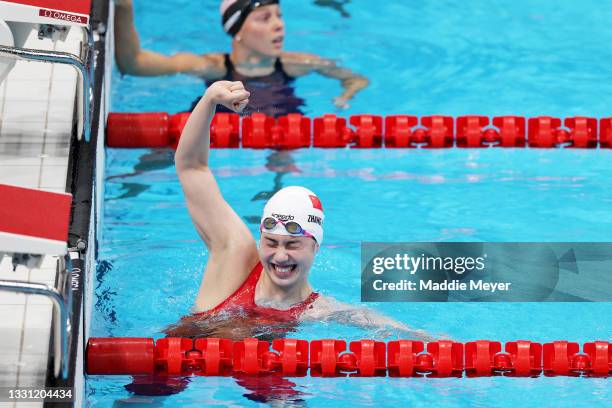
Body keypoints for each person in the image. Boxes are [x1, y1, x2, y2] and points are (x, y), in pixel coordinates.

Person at [171, 80, 432, 340]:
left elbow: (380, 324)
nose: (280, 257)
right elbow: (191, 168)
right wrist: (208, 101)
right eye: (271, 242)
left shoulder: (319, 311)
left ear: (315, 246)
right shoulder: (234, 255)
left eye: (293, 245)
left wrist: (426, 338)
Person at [114, 0, 369, 115]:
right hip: (217, 126)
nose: (279, 25)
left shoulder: (297, 63)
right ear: (237, 32)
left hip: (283, 130)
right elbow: (134, 64)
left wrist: (346, 96)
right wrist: (124, 7)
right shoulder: (213, 66)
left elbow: (357, 80)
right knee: (161, 153)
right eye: (265, 18)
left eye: (279, 15)